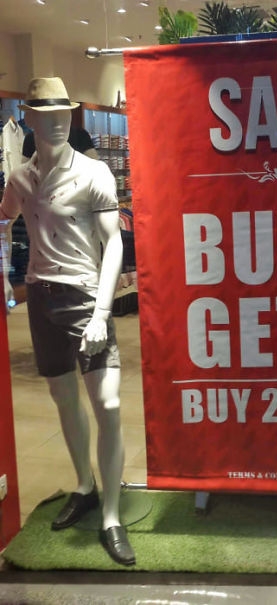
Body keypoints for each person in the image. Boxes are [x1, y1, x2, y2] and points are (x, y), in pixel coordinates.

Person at [0, 77, 135, 565]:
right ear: (29, 119)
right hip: (40, 297)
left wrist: (102, 310)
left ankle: (113, 514)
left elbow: (113, 242)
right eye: (46, 115)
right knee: (63, 398)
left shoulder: (94, 172)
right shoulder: (20, 178)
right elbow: (4, 220)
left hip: (84, 297)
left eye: (63, 114)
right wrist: (4, 273)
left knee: (108, 402)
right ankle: (85, 486)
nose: (57, 122)